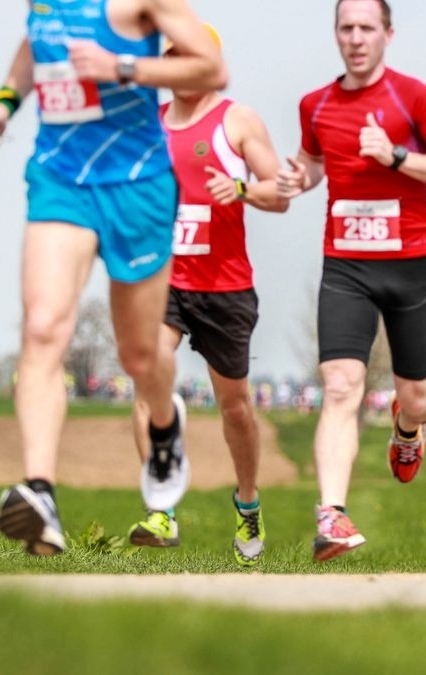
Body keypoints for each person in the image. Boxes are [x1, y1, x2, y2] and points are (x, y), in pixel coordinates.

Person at [0, 0, 226, 556]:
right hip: (60, 178)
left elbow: (211, 68)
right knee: (42, 329)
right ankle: (40, 493)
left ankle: (164, 428)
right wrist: (4, 104)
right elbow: (34, 46)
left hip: (137, 186)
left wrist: (123, 67)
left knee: (140, 357)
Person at [275, 0, 426, 562]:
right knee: (340, 385)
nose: (356, 38)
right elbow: (313, 164)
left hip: (411, 264)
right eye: (347, 28)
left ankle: (406, 430)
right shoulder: (314, 105)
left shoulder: (412, 97)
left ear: (388, 34)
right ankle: (331, 515)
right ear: (336, 35)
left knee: (417, 396)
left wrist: (394, 156)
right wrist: (299, 176)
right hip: (345, 265)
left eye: (367, 28)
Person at [124, 24, 287, 566]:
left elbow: (278, 193)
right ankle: (161, 507)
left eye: (188, 56)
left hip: (225, 288)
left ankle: (247, 505)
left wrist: (240, 188)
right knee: (147, 375)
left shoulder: (236, 120)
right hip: (166, 279)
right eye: (169, 56)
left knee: (235, 408)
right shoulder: (149, 124)